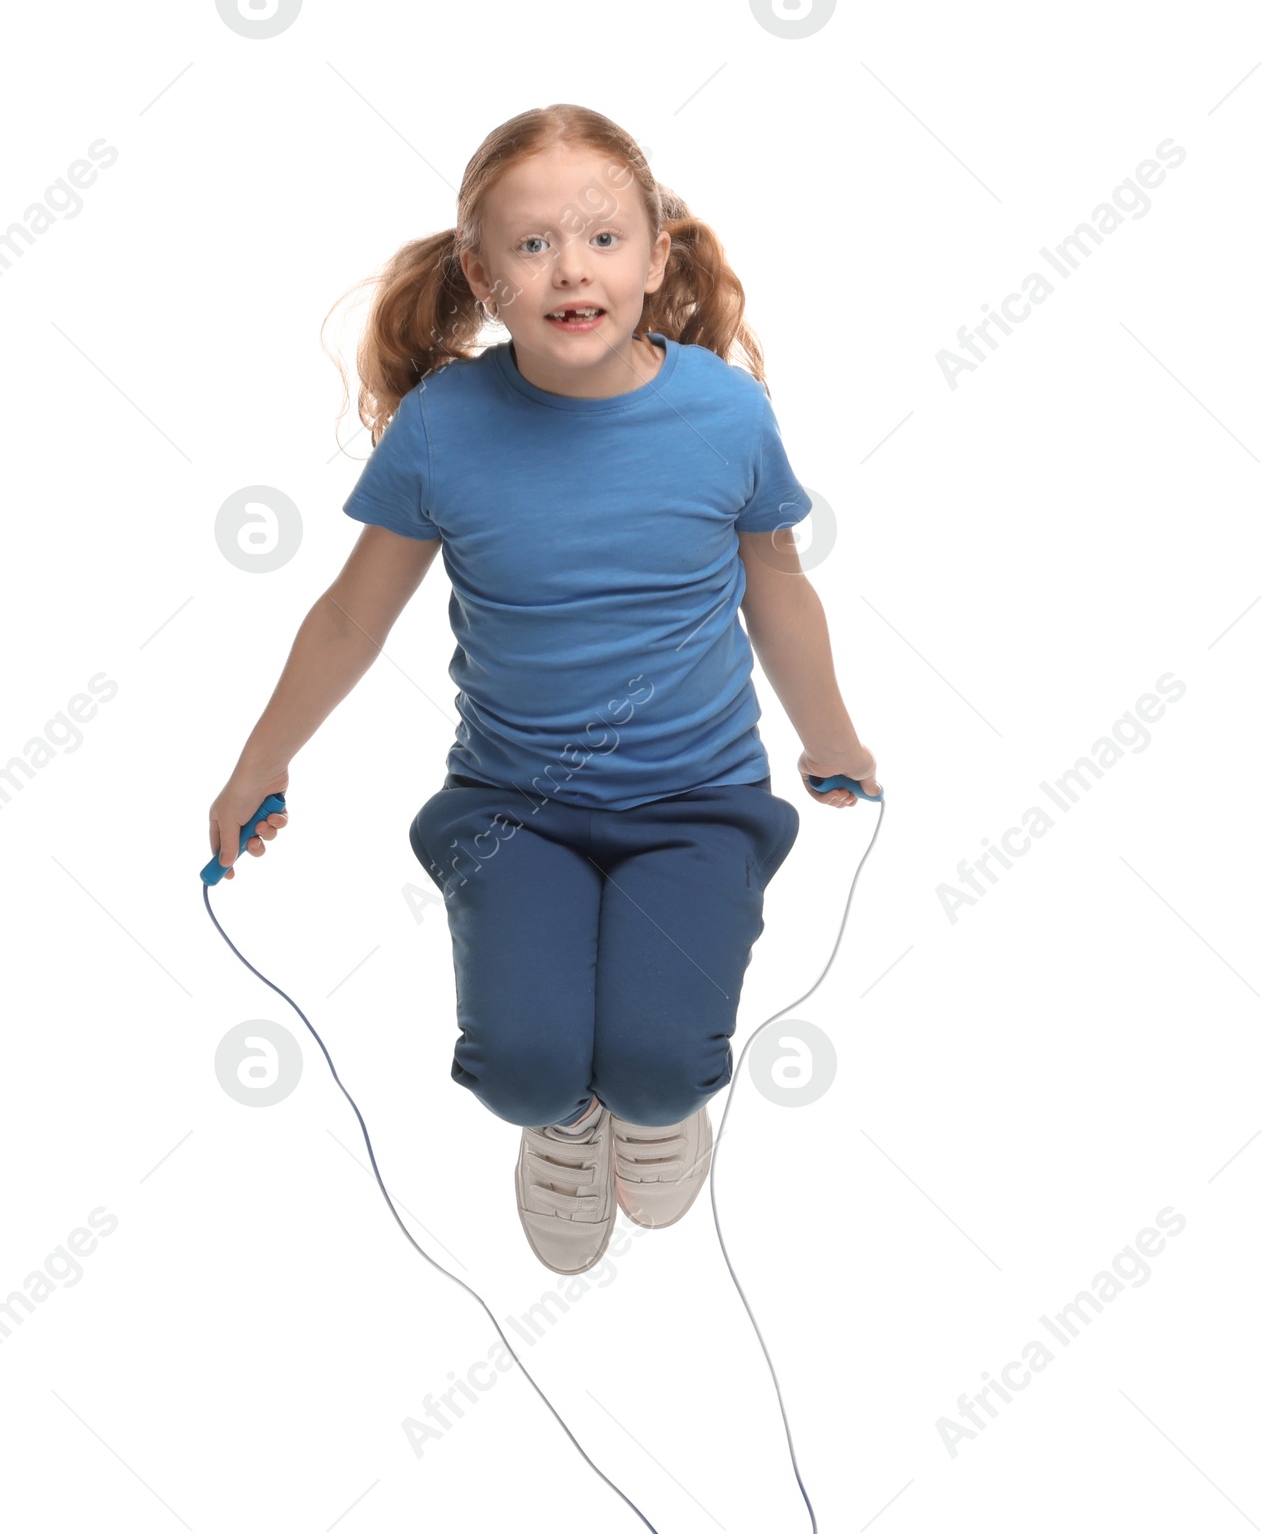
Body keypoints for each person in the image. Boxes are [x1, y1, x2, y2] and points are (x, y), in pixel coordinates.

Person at [208, 103, 880, 1276]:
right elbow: (352, 615)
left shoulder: (725, 414)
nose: (571, 268)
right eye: (531, 245)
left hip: (695, 805)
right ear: (480, 275)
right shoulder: (446, 427)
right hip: (514, 809)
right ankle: (565, 1120)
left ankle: (650, 1102)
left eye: (603, 238)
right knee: (525, 1070)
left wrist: (833, 741)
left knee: (657, 1063)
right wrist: (262, 758)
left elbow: (777, 587)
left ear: (657, 255)